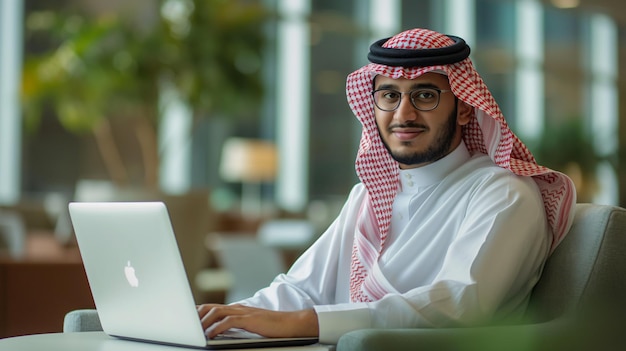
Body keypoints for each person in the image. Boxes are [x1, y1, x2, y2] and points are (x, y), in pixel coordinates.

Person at [197, 28, 576, 345]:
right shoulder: (367, 194)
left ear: (463, 106)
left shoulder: (502, 192)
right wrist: (218, 320)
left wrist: (302, 323)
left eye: (424, 95)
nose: (403, 114)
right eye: (389, 95)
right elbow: (300, 288)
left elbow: (458, 304)